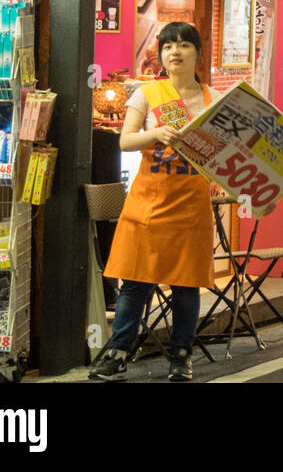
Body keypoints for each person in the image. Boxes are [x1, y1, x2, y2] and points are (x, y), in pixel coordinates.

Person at [90, 22, 216, 381]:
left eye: (184, 45)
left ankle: (181, 354)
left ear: (197, 53)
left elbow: (225, 156)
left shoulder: (213, 99)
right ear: (160, 54)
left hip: (191, 205)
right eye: (167, 46)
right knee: (134, 280)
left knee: (186, 284)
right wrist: (155, 133)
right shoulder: (147, 93)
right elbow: (125, 141)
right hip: (147, 204)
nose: (174, 52)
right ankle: (117, 352)